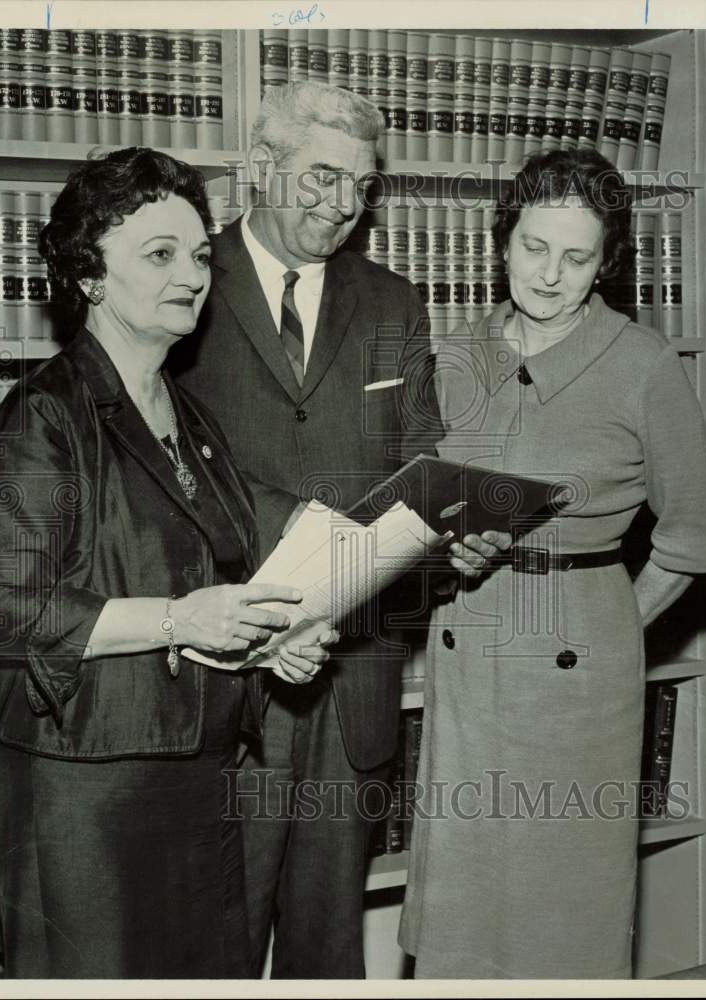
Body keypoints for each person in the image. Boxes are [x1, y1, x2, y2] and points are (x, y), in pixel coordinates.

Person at [0, 146, 336, 979]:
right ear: (89, 276)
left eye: (201, 254)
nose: (193, 274)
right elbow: (5, 612)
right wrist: (181, 620)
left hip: (199, 774)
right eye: (159, 254)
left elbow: (213, 574)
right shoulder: (42, 417)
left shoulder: (189, 414)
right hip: (85, 790)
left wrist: (263, 639)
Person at [398, 149, 706, 979]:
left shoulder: (643, 366)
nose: (549, 275)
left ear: (605, 264)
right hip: (467, 647)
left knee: (564, 904)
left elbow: (691, 538)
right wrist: (445, 551)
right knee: (463, 906)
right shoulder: (451, 356)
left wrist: (611, 620)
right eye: (534, 248)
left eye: (576, 257)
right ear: (501, 242)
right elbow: (421, 505)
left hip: (578, 665)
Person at [171, 81, 447, 978]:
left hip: (349, 672)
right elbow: (150, 475)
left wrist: (453, 525)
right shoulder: (182, 285)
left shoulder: (394, 303)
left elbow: (420, 462)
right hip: (223, 671)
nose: (340, 207)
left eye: (360, 187)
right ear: (259, 169)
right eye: (319, 178)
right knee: (215, 938)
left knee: (329, 950)